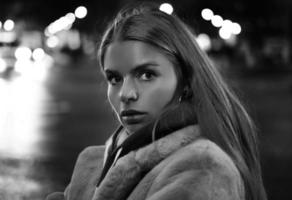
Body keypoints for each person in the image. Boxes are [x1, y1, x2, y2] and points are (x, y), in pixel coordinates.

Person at [46, 3, 267, 200]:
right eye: (114, 78)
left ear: (187, 81)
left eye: (146, 75)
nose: (125, 93)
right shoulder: (93, 164)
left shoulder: (203, 168)